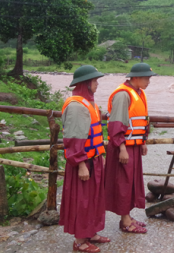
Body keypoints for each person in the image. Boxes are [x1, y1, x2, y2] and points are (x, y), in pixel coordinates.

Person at [59, 65, 109, 253]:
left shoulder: (89, 103)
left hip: (92, 159)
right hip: (82, 162)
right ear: (86, 83)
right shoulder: (76, 106)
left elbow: (93, 133)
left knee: (94, 198)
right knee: (83, 200)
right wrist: (80, 164)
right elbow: (73, 139)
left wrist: (99, 154)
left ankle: (91, 232)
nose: (97, 84)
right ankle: (80, 241)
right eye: (95, 81)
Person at [105, 63, 155, 233]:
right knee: (124, 183)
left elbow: (140, 122)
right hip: (123, 147)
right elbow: (116, 124)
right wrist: (122, 148)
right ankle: (125, 221)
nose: (149, 81)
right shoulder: (123, 95)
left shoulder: (139, 93)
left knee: (132, 182)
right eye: (146, 78)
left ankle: (127, 216)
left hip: (133, 145)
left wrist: (143, 142)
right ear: (135, 78)